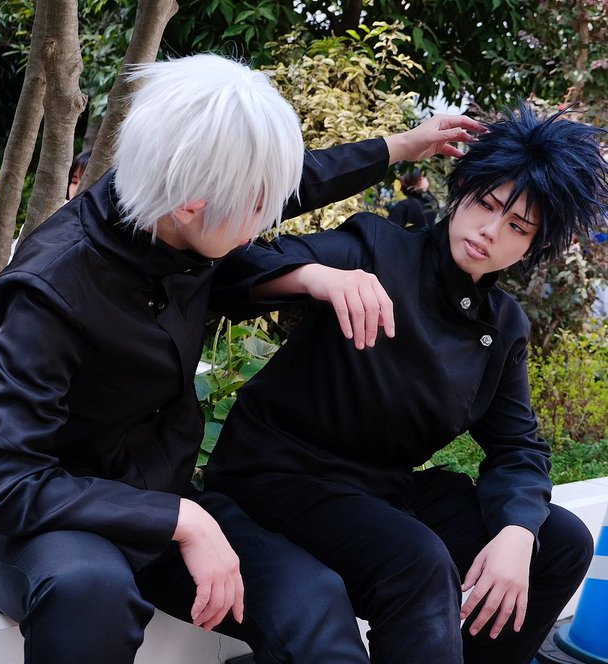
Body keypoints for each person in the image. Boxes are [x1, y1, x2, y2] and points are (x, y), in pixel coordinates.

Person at [0, 52, 482, 664]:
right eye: (256, 207)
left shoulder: (174, 211)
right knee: (91, 590)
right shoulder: (51, 287)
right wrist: (180, 519)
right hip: (53, 521)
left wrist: (400, 146)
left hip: (165, 498)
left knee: (312, 600)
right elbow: (9, 482)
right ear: (190, 201)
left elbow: (294, 181)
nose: (265, 222)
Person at [206, 104, 608, 664]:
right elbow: (229, 271)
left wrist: (518, 531)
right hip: (277, 475)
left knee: (558, 543)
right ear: (461, 190)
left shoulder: (503, 325)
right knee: (417, 560)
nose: (490, 231)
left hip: (378, 489)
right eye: (486, 204)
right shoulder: (376, 248)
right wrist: (315, 277)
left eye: (518, 227)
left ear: (532, 247)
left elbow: (518, 446)